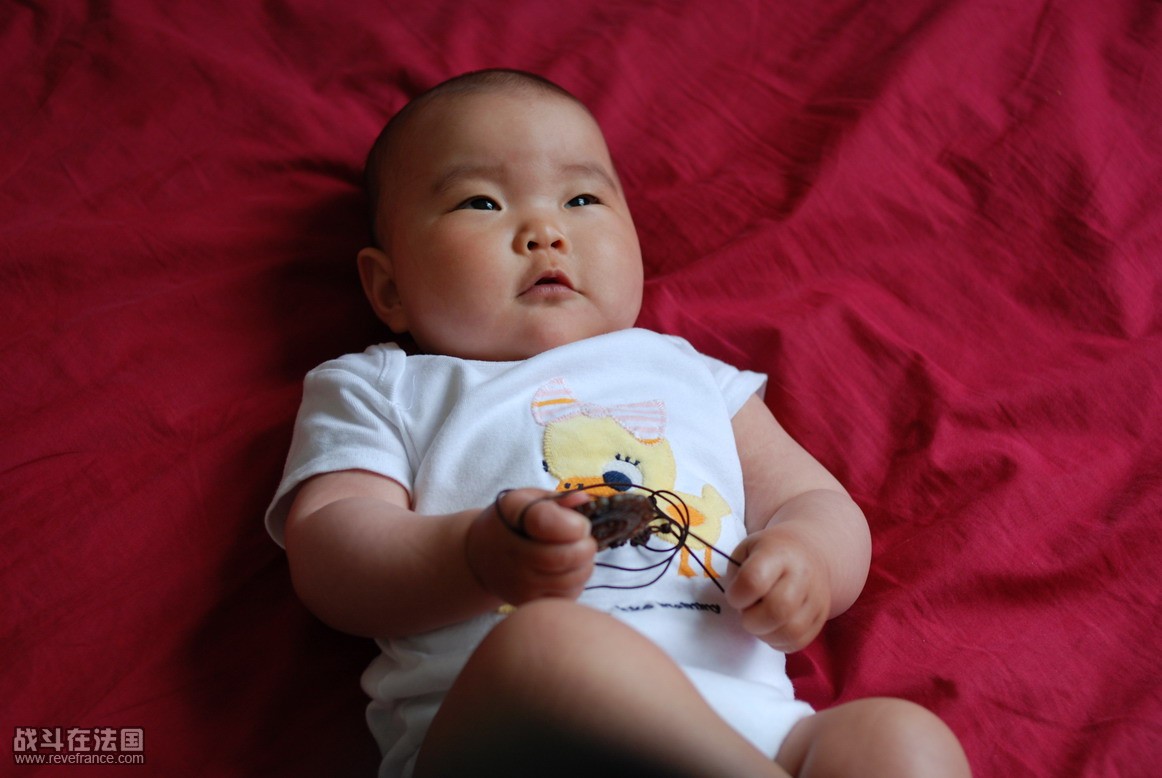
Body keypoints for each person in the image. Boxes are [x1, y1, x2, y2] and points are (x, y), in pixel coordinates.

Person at [266, 68, 971, 777]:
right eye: (481, 202)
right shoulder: (385, 385)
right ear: (389, 287)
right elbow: (330, 547)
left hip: (747, 730)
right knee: (550, 646)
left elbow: (814, 500)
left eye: (581, 199)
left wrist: (806, 556)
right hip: (515, 732)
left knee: (900, 738)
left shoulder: (691, 374)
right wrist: (472, 559)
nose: (545, 232)